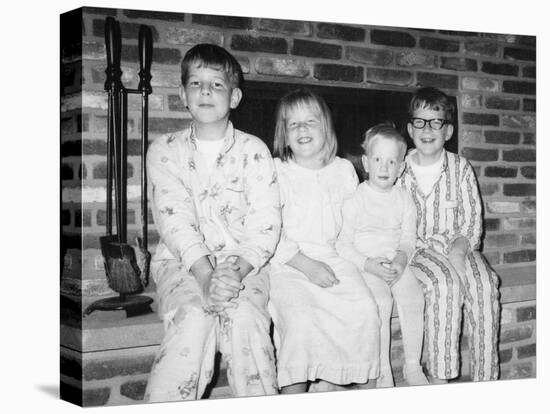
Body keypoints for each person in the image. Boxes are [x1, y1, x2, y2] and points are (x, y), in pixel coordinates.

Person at [144, 44, 281, 401]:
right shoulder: (164, 150)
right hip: (183, 265)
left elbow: (266, 224)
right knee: (193, 317)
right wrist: (205, 278)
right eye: (196, 83)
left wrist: (235, 272)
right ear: (182, 94)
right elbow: (175, 223)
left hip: (245, 264)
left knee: (247, 320)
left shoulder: (255, 150)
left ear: (235, 96)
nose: (205, 91)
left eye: (216, 84)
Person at [268, 88, 380, 394]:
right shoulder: (277, 172)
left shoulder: (344, 171)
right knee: (301, 318)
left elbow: (355, 226)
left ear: (326, 128)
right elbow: (266, 230)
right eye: (293, 124)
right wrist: (305, 265)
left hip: (336, 257)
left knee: (364, 310)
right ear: (284, 135)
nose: (302, 129)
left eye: (311, 121)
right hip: (288, 263)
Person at [398, 86, 500, 383]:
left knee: (484, 284)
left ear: (449, 131)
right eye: (420, 121)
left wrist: (457, 253)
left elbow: (471, 224)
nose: (427, 129)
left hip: (459, 247)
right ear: (409, 128)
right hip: (418, 252)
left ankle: (486, 380)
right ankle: (441, 379)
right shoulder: (400, 168)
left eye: (436, 122)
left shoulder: (461, 168)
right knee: (445, 284)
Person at [336, 123, 428, 388]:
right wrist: (368, 265)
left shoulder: (404, 199)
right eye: (378, 159)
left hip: (396, 263)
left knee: (413, 297)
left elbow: (408, 239)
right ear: (366, 162)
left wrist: (401, 260)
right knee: (380, 303)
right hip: (367, 265)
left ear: (401, 168)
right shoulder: (355, 200)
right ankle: (383, 371)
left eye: (391, 161)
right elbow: (342, 244)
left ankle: (412, 366)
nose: (384, 167)